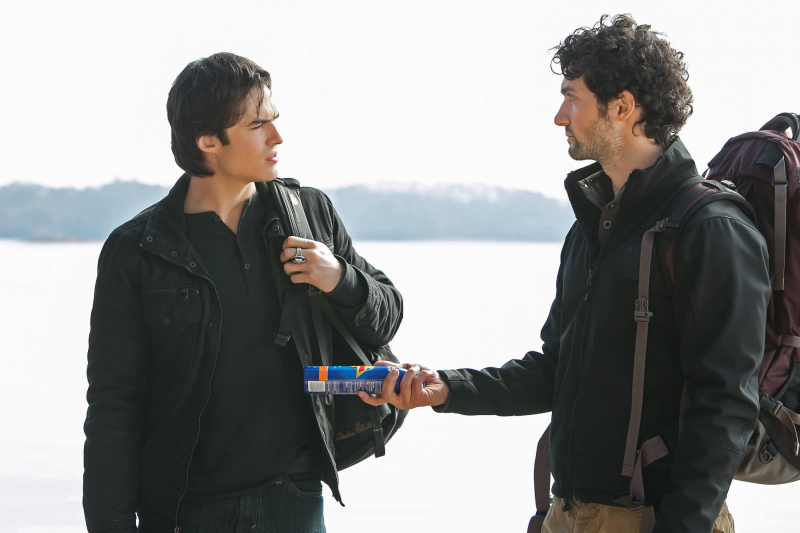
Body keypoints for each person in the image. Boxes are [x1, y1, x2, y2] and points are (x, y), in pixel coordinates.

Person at [360, 15, 770, 533]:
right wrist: (444, 389)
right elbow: (556, 371)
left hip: (654, 519)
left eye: (572, 97)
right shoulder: (593, 228)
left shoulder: (710, 229)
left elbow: (727, 406)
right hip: (568, 515)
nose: (559, 116)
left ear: (622, 107)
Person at [83, 52, 403, 533]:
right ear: (208, 140)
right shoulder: (137, 251)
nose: (277, 137)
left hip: (294, 498)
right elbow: (114, 403)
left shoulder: (310, 214)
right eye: (258, 125)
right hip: (183, 510)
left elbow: (387, 316)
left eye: (274, 120)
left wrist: (338, 276)